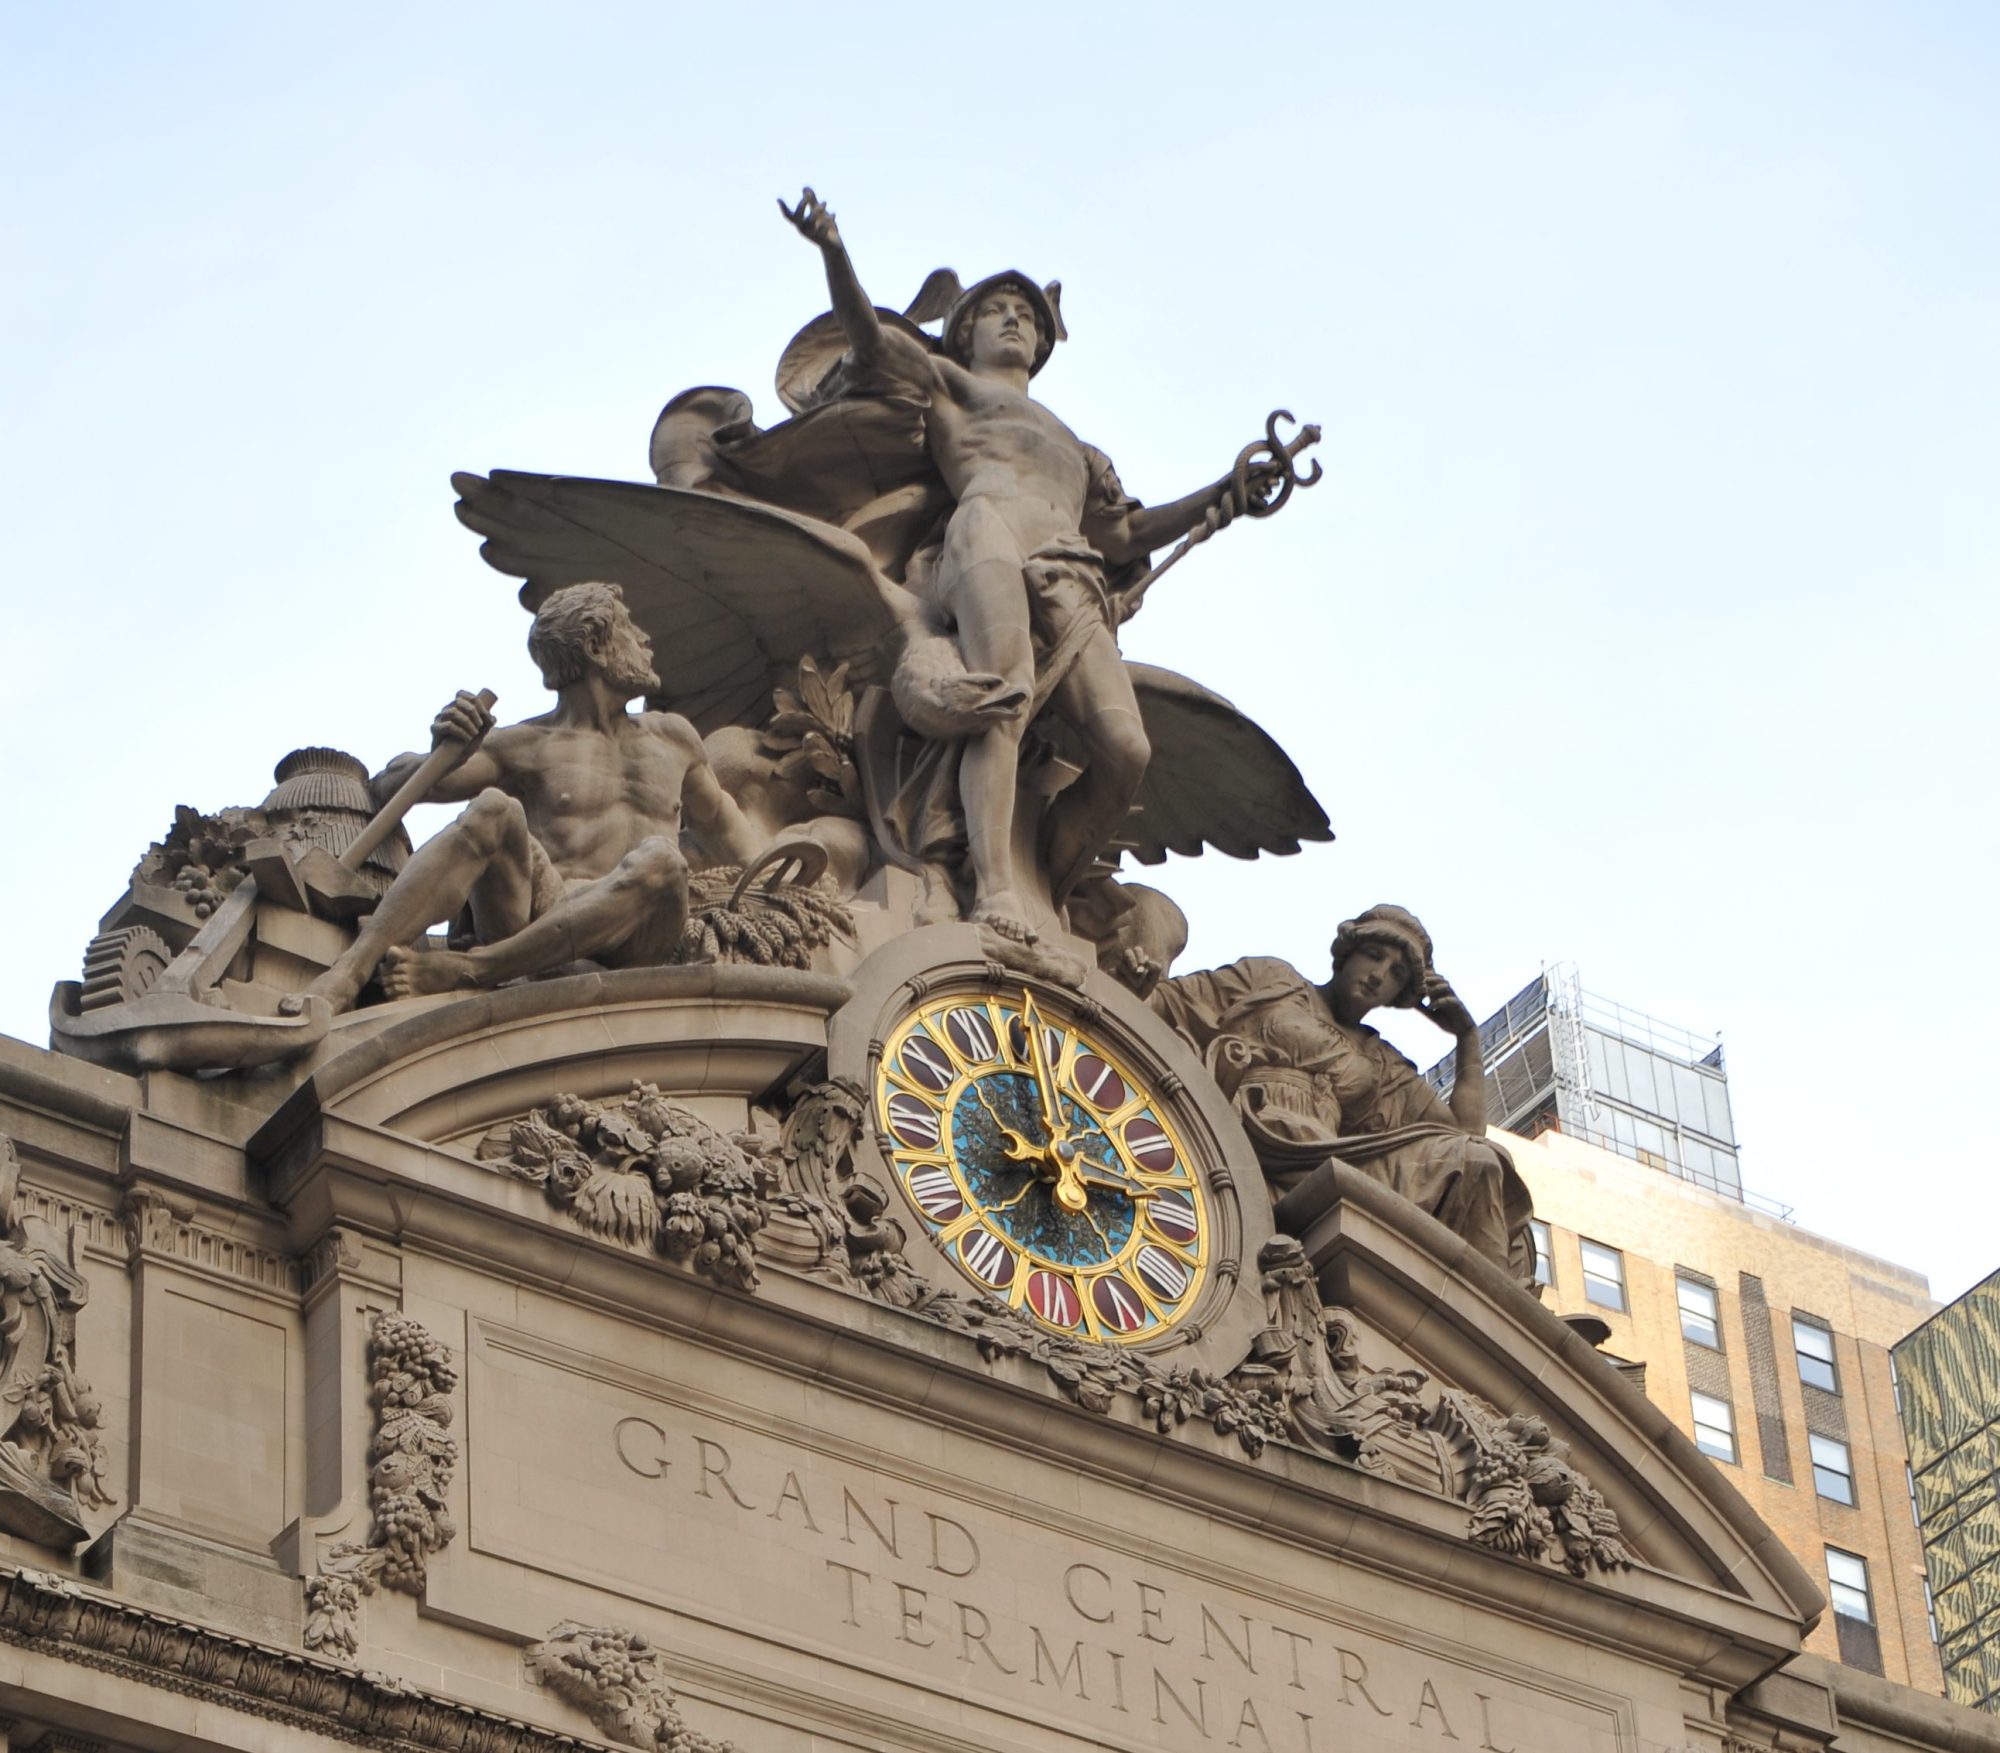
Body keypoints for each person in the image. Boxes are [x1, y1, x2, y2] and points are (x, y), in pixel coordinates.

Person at [778, 187, 1251, 943]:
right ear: (964, 332)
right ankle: (994, 885)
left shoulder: (1076, 446)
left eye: (1028, 315)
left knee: (1126, 750)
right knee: (1002, 695)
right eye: (998, 309)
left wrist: (1226, 491)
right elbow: (869, 341)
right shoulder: (950, 388)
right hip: (984, 533)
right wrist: (835, 250)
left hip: (1073, 569)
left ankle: (1042, 882)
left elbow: (1126, 532)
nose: (1015, 321)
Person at [304, 581, 762, 1009]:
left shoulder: (674, 739)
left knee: (662, 861)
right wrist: (448, 745)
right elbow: (392, 788)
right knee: (493, 809)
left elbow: (731, 835)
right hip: (537, 920)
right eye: (628, 625)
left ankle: (468, 970)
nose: (645, 639)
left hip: (638, 941)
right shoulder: (526, 744)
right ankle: (350, 972)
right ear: (595, 646)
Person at [1152, 905, 1535, 1279]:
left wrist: (1467, 1038)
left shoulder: (1383, 1064)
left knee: (1480, 1162)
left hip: (1328, 1161)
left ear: (1399, 995)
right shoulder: (1273, 980)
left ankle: (1486, 1317)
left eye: (1396, 974)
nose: (1378, 975)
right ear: (1346, 953)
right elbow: (1170, 1001)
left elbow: (1466, 1134)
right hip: (1249, 1125)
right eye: (1373, 956)